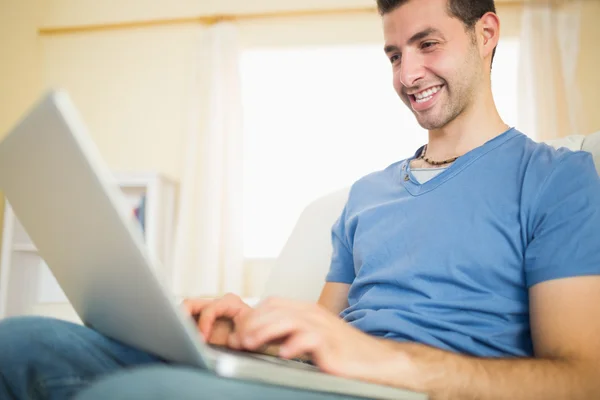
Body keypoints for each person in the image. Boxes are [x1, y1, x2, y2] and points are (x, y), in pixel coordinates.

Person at [2, 0, 600, 398]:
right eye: (394, 54)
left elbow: (582, 376)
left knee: (133, 394)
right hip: (336, 384)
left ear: (486, 33)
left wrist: (394, 363)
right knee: (21, 342)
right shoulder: (366, 195)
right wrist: (255, 332)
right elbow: (325, 329)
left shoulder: (556, 177)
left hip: (416, 390)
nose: (407, 73)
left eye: (427, 44)